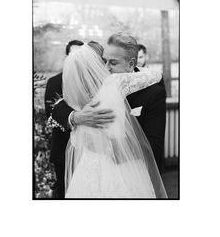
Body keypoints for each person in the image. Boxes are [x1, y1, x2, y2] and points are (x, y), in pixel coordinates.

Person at [63, 43, 167, 198]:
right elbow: (153, 75)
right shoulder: (112, 84)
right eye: (104, 61)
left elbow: (77, 139)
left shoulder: (77, 96)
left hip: (89, 162)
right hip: (120, 164)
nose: (107, 66)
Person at [104, 33, 166, 172]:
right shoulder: (101, 84)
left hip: (136, 171)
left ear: (131, 64)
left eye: (113, 63)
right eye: (105, 61)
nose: (106, 68)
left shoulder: (153, 92)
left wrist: (112, 150)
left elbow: (154, 146)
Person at [44, 39, 84, 198]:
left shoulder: (89, 82)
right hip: (63, 147)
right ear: (67, 56)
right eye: (73, 54)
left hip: (87, 150)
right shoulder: (54, 82)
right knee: (63, 189)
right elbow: (51, 114)